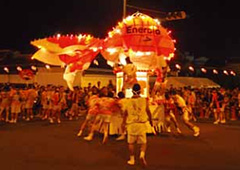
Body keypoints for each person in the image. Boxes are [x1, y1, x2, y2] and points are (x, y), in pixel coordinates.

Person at [122, 83, 153, 167]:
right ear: (140, 91)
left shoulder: (128, 101)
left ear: (132, 91)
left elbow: (125, 113)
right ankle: (142, 155)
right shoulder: (144, 100)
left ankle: (132, 159)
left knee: (131, 143)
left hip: (131, 124)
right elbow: (148, 111)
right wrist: (151, 121)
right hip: (141, 124)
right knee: (143, 142)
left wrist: (123, 123)